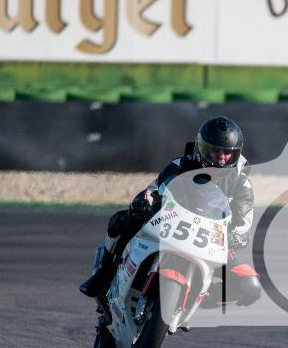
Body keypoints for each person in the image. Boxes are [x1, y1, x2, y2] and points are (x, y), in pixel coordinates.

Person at [79, 116, 261, 305]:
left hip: (211, 240)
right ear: (201, 148)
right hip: (170, 224)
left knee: (251, 287)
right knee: (121, 220)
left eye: (227, 153)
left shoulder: (241, 184)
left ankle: (198, 298)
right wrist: (144, 202)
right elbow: (153, 190)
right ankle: (105, 272)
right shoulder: (181, 165)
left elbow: (243, 225)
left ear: (236, 154)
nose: (221, 157)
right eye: (215, 151)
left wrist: (235, 237)